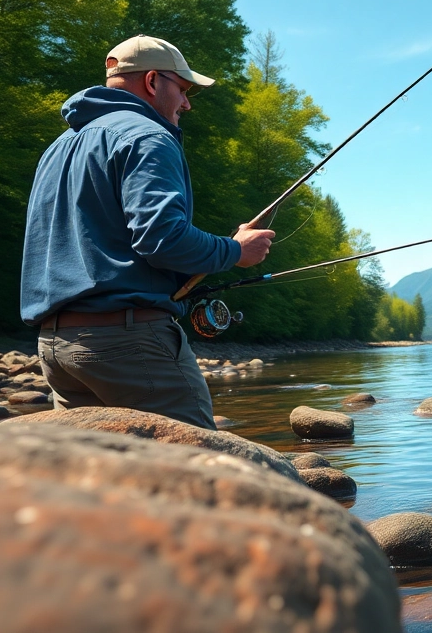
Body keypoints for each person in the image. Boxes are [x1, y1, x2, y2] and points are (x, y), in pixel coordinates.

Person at [20, 35, 274, 429]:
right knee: (194, 470)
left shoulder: (59, 147)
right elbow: (163, 239)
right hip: (126, 341)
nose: (187, 104)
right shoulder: (149, 137)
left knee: (104, 477)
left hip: (56, 347)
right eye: (184, 90)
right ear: (153, 81)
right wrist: (234, 250)